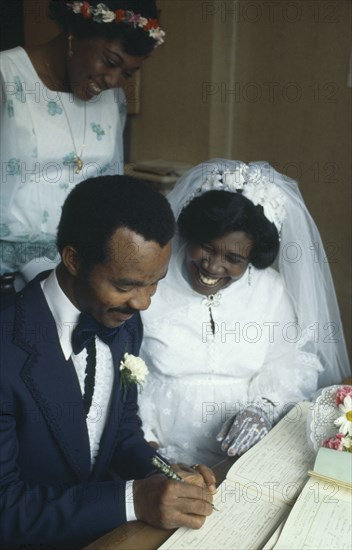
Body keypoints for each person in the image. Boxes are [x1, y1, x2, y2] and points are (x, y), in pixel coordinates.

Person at [0, 175, 216, 549]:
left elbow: (120, 432)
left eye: (155, 283)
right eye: (126, 284)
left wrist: (162, 475)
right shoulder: (8, 351)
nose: (143, 302)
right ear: (72, 259)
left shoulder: (124, 324)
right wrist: (136, 499)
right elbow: (6, 509)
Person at [138, 159, 351, 467]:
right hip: (158, 449)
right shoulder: (155, 279)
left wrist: (263, 407)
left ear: (252, 258)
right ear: (191, 235)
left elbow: (292, 361)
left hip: (243, 452)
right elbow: (124, 371)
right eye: (206, 248)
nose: (212, 267)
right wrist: (145, 446)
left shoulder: (270, 290)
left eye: (233, 258)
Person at [0, 0, 165, 289]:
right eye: (110, 62)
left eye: (127, 73)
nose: (113, 80)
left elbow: (109, 190)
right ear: (75, 35)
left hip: (80, 270)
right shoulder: (7, 78)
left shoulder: (113, 100)